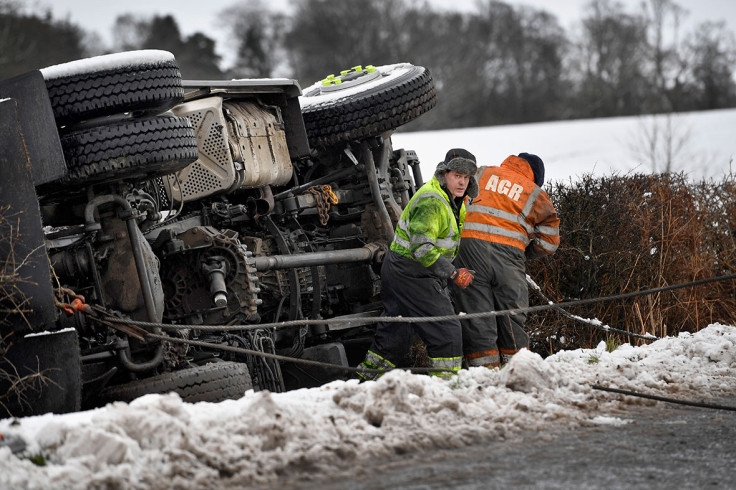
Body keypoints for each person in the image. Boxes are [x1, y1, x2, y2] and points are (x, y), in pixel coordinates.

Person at [357, 148, 479, 380]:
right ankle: (446, 388)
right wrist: (453, 273)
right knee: (447, 332)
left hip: (401, 270)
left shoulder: (454, 200)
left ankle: (364, 384)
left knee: (395, 334)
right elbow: (422, 248)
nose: (462, 182)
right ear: (445, 174)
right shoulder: (432, 201)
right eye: (457, 176)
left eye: (466, 177)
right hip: (411, 272)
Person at [451, 153, 560, 368]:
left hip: (467, 254)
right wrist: (522, 251)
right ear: (535, 176)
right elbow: (550, 242)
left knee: (476, 317)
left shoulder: (480, 172)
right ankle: (518, 371)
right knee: (512, 317)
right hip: (509, 261)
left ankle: (484, 376)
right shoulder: (535, 192)